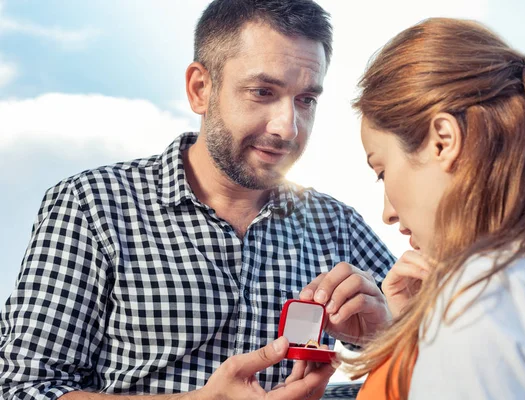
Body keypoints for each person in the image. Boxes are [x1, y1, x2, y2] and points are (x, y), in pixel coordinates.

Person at [0, 1, 395, 399]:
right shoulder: (92, 206)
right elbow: (23, 388)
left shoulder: (337, 225)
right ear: (200, 89)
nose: (287, 127)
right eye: (263, 92)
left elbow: (432, 355)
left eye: (306, 100)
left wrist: (386, 334)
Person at [346, 17, 525, 400]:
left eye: (382, 171)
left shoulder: (482, 298)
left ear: (443, 142)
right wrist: (409, 332)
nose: (388, 214)